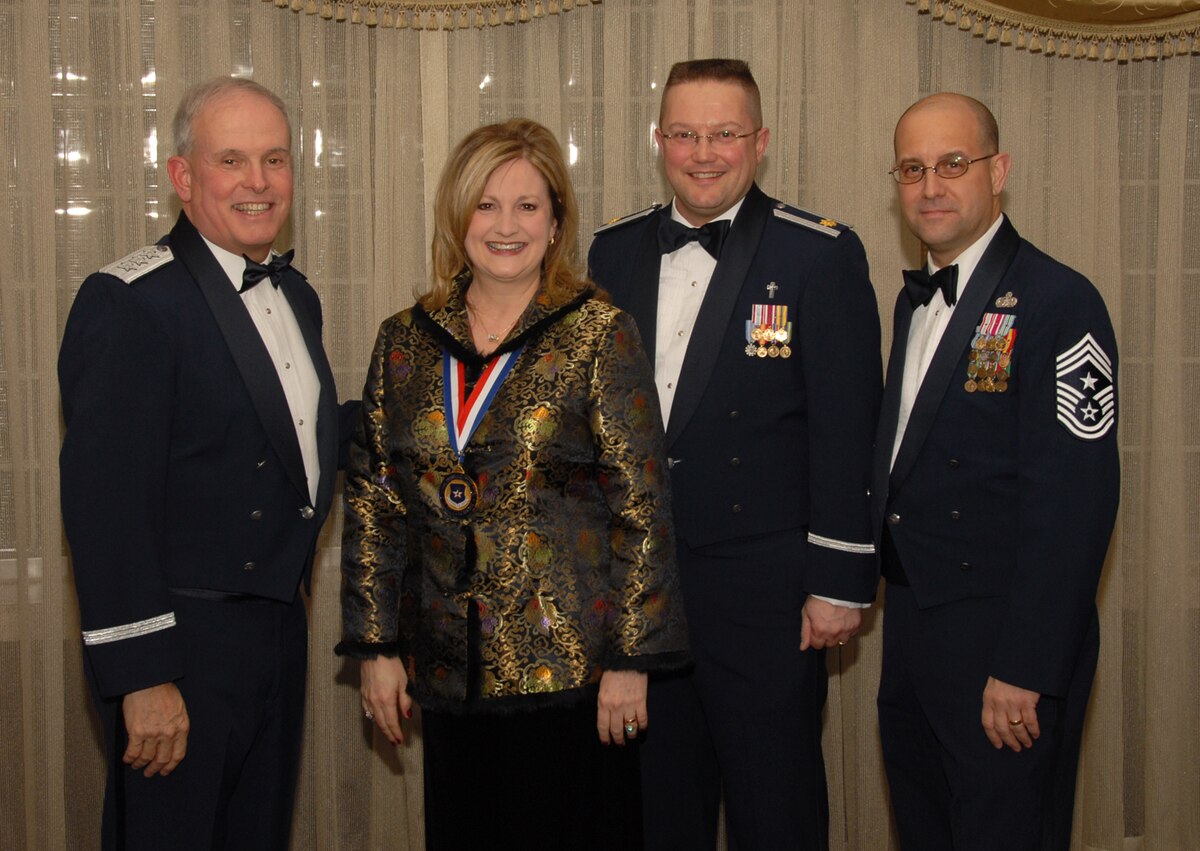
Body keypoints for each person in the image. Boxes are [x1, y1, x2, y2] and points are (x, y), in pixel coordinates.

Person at [337, 117, 688, 851]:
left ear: (556, 223)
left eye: (527, 206)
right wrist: (376, 646)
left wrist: (630, 660)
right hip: (449, 673)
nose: (505, 226)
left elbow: (642, 507)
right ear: (457, 216)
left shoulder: (598, 332)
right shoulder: (404, 339)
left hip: (570, 676)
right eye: (486, 204)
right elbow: (376, 502)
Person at [588, 59, 882, 850]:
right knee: (658, 813)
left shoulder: (817, 254)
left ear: (761, 141)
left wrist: (838, 581)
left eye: (724, 133)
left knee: (775, 811)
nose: (704, 153)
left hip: (768, 599)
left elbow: (847, 425)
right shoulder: (611, 252)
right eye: (685, 134)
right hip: (647, 595)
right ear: (659, 141)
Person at [59, 77, 355, 849]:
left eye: (274, 159)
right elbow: (105, 506)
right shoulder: (131, 301)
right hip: (180, 649)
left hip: (278, 632)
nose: (259, 181)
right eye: (232, 160)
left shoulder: (298, 297)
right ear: (183, 177)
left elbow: (288, 441)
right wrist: (142, 675)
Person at [873, 92, 1120, 851]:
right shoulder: (913, 304)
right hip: (914, 628)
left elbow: (1075, 504)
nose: (931, 187)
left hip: (1004, 644)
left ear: (998, 170)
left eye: (953, 163)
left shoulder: (1060, 300)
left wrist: (1025, 666)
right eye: (912, 169)